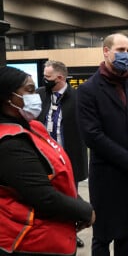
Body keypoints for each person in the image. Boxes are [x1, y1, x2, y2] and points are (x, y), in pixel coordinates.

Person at [0, 66, 95, 256]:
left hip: (54, 232)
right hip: (28, 240)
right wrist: (85, 211)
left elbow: (57, 175)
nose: (35, 96)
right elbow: (44, 197)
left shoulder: (33, 128)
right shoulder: (9, 143)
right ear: (8, 98)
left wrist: (76, 203)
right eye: (29, 90)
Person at [76, 33, 128, 256]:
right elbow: (92, 135)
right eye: (121, 50)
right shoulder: (88, 90)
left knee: (126, 234)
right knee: (102, 236)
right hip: (108, 175)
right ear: (106, 51)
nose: (126, 55)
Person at [37, 60, 88, 248]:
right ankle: (48, 232)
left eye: (48, 77)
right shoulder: (39, 94)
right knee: (45, 196)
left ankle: (71, 233)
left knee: (69, 197)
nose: (45, 80)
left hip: (68, 158)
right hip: (42, 157)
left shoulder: (78, 98)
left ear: (60, 78)